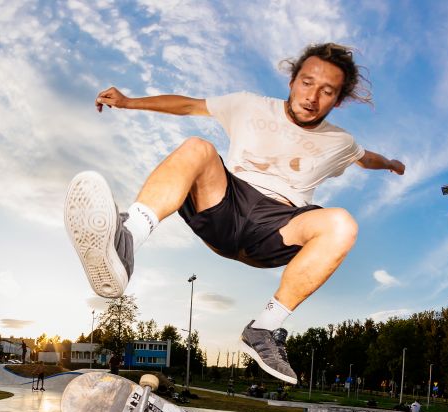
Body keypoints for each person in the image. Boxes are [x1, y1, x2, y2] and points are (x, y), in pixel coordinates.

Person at [64, 43, 405, 385]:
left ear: (338, 100)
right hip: (225, 204)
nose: (312, 97)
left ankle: (264, 329)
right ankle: (126, 244)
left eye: (326, 91)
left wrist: (390, 164)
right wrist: (128, 102)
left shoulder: (340, 142)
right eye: (306, 82)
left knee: (342, 224)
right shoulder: (247, 105)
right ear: (292, 80)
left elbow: (365, 158)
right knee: (198, 147)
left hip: (278, 227)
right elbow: (187, 105)